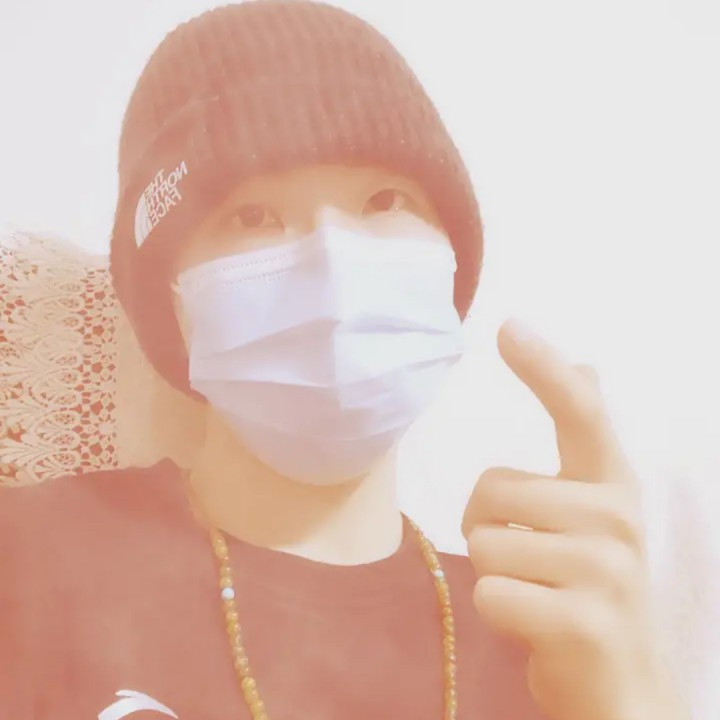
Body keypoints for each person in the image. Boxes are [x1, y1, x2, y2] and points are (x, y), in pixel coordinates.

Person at [1, 2, 552, 719]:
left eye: (384, 200)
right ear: (171, 299)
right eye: (253, 215)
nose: (334, 271)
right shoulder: (27, 562)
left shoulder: (543, 641)